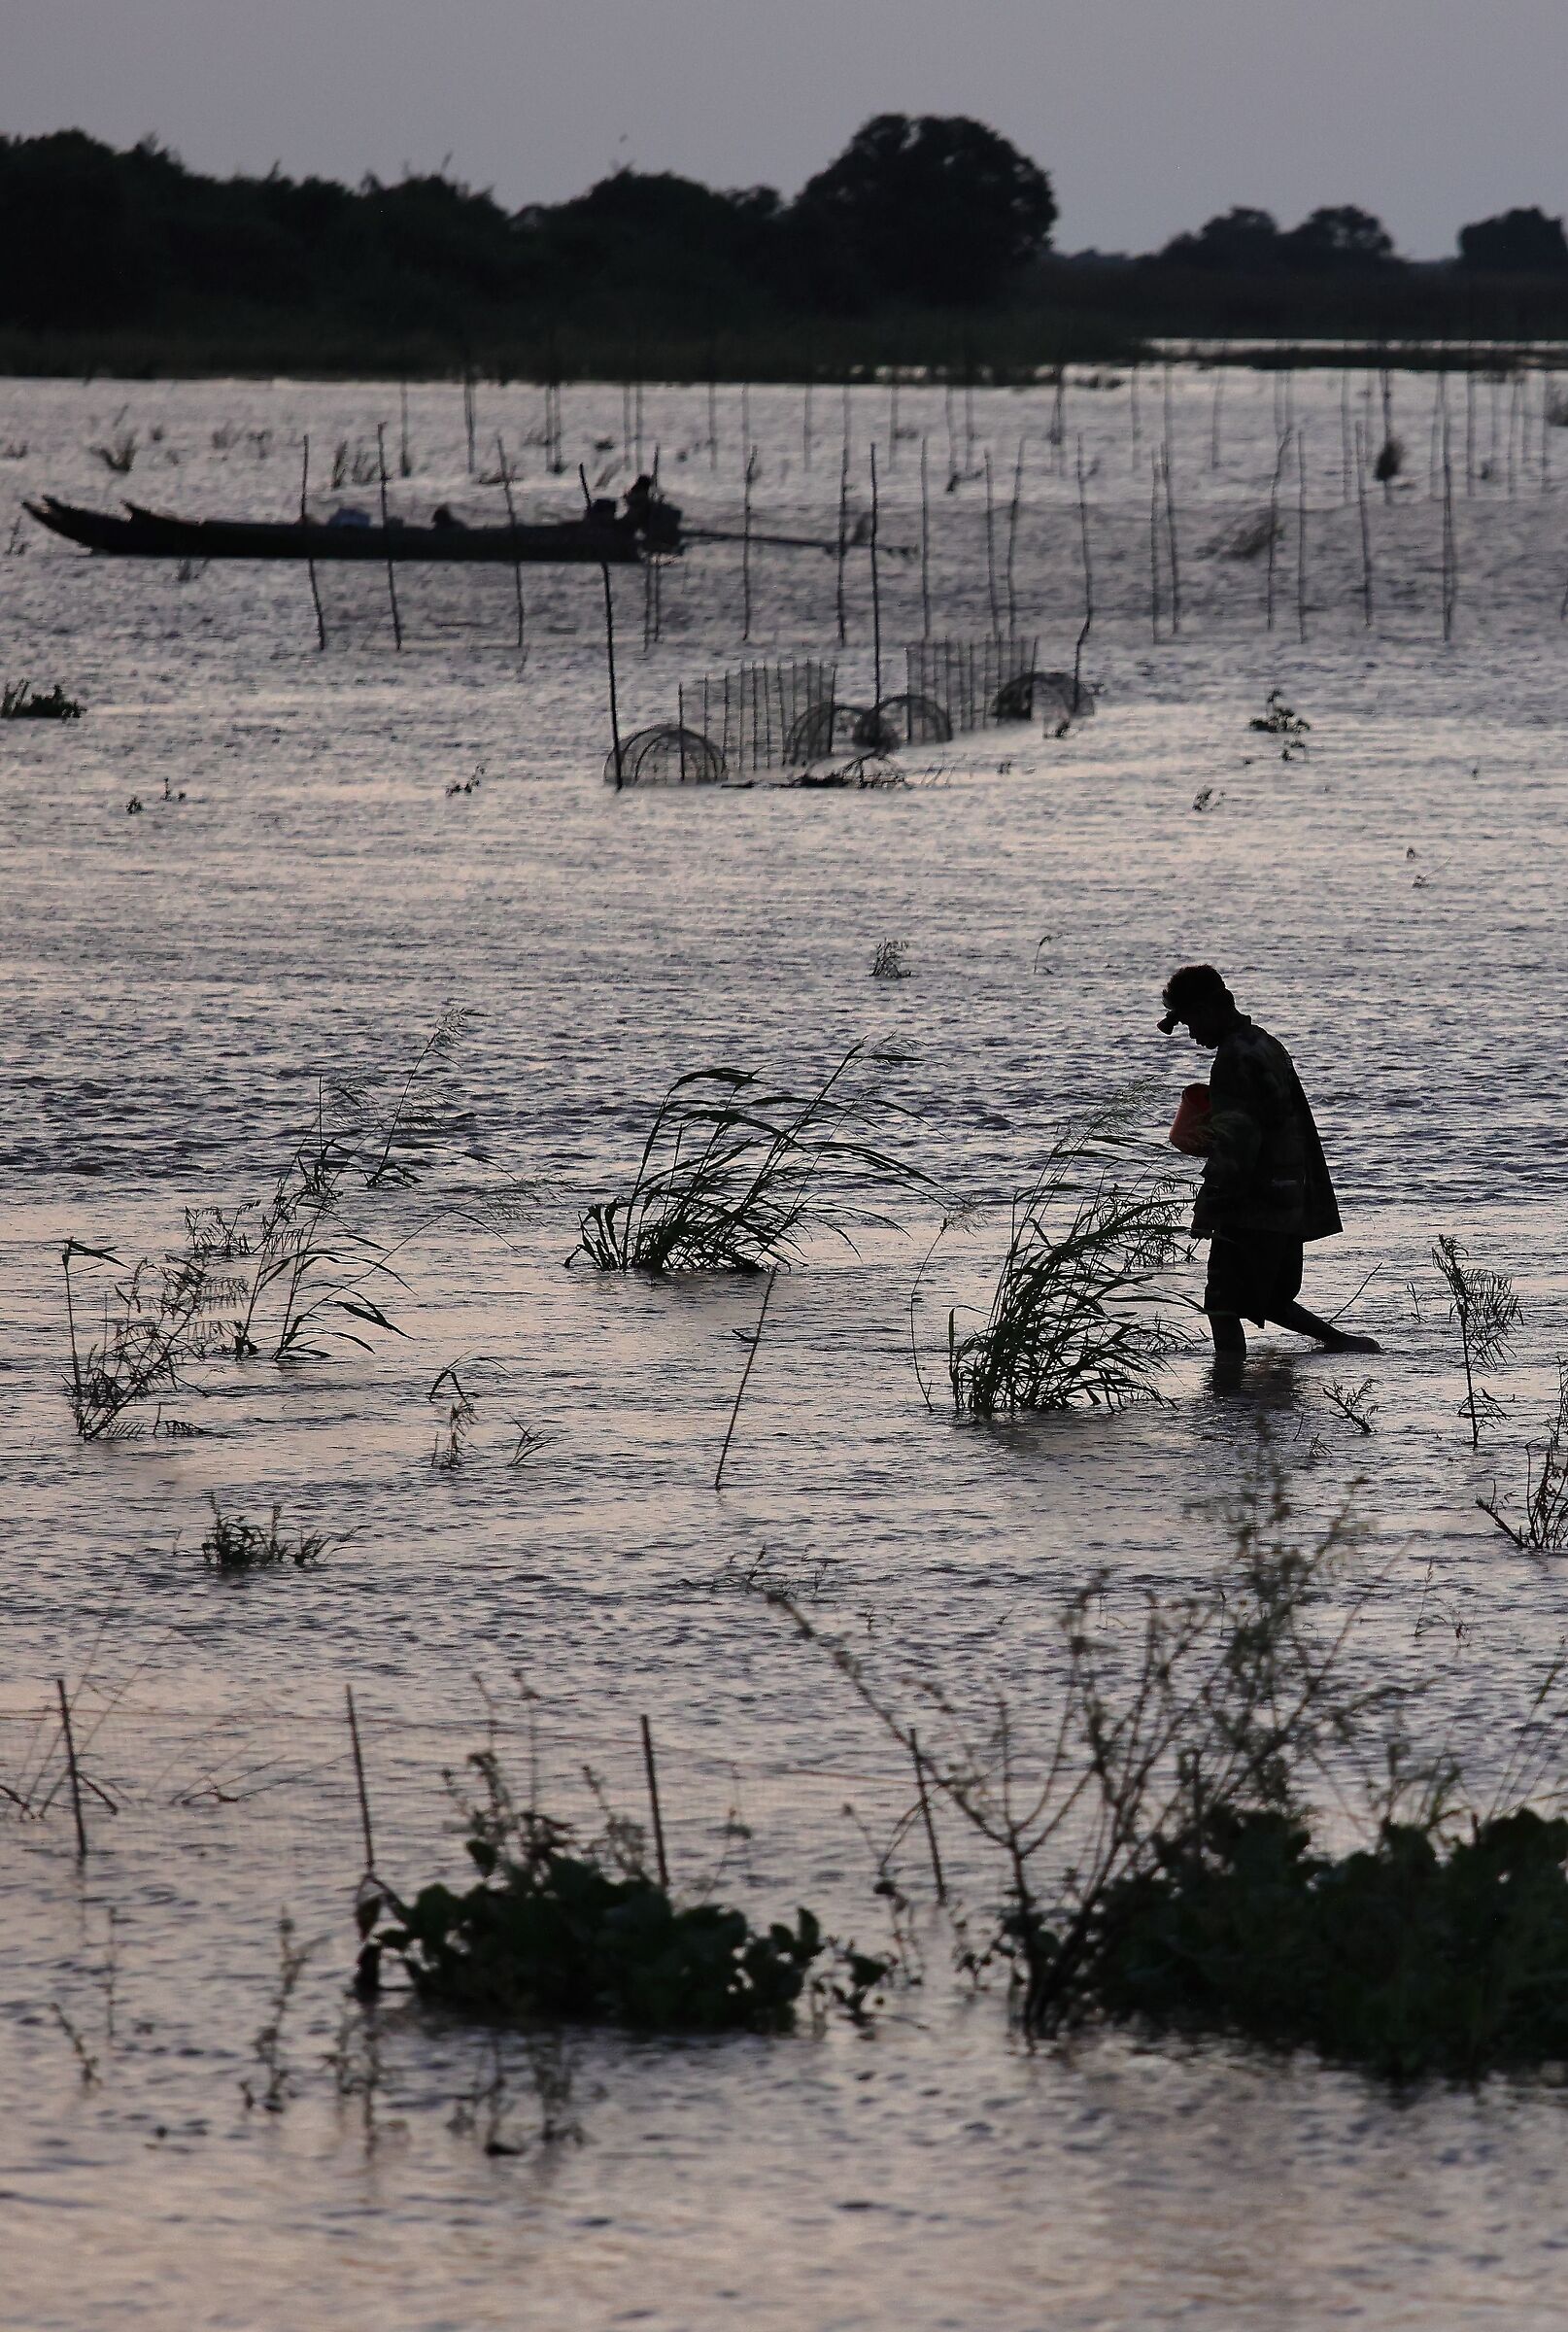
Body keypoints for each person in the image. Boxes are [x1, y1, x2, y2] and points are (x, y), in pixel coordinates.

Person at [1159, 963, 1381, 1383]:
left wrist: (1210, 1208)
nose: (1191, 1034)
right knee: (1272, 1296)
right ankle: (1343, 1343)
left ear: (1210, 1009)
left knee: (1222, 1303)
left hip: (1253, 1202)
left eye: (1190, 1021)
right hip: (1287, 1193)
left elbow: (1238, 1146)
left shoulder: (1232, 1060)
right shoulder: (1264, 1043)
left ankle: (1229, 1396)